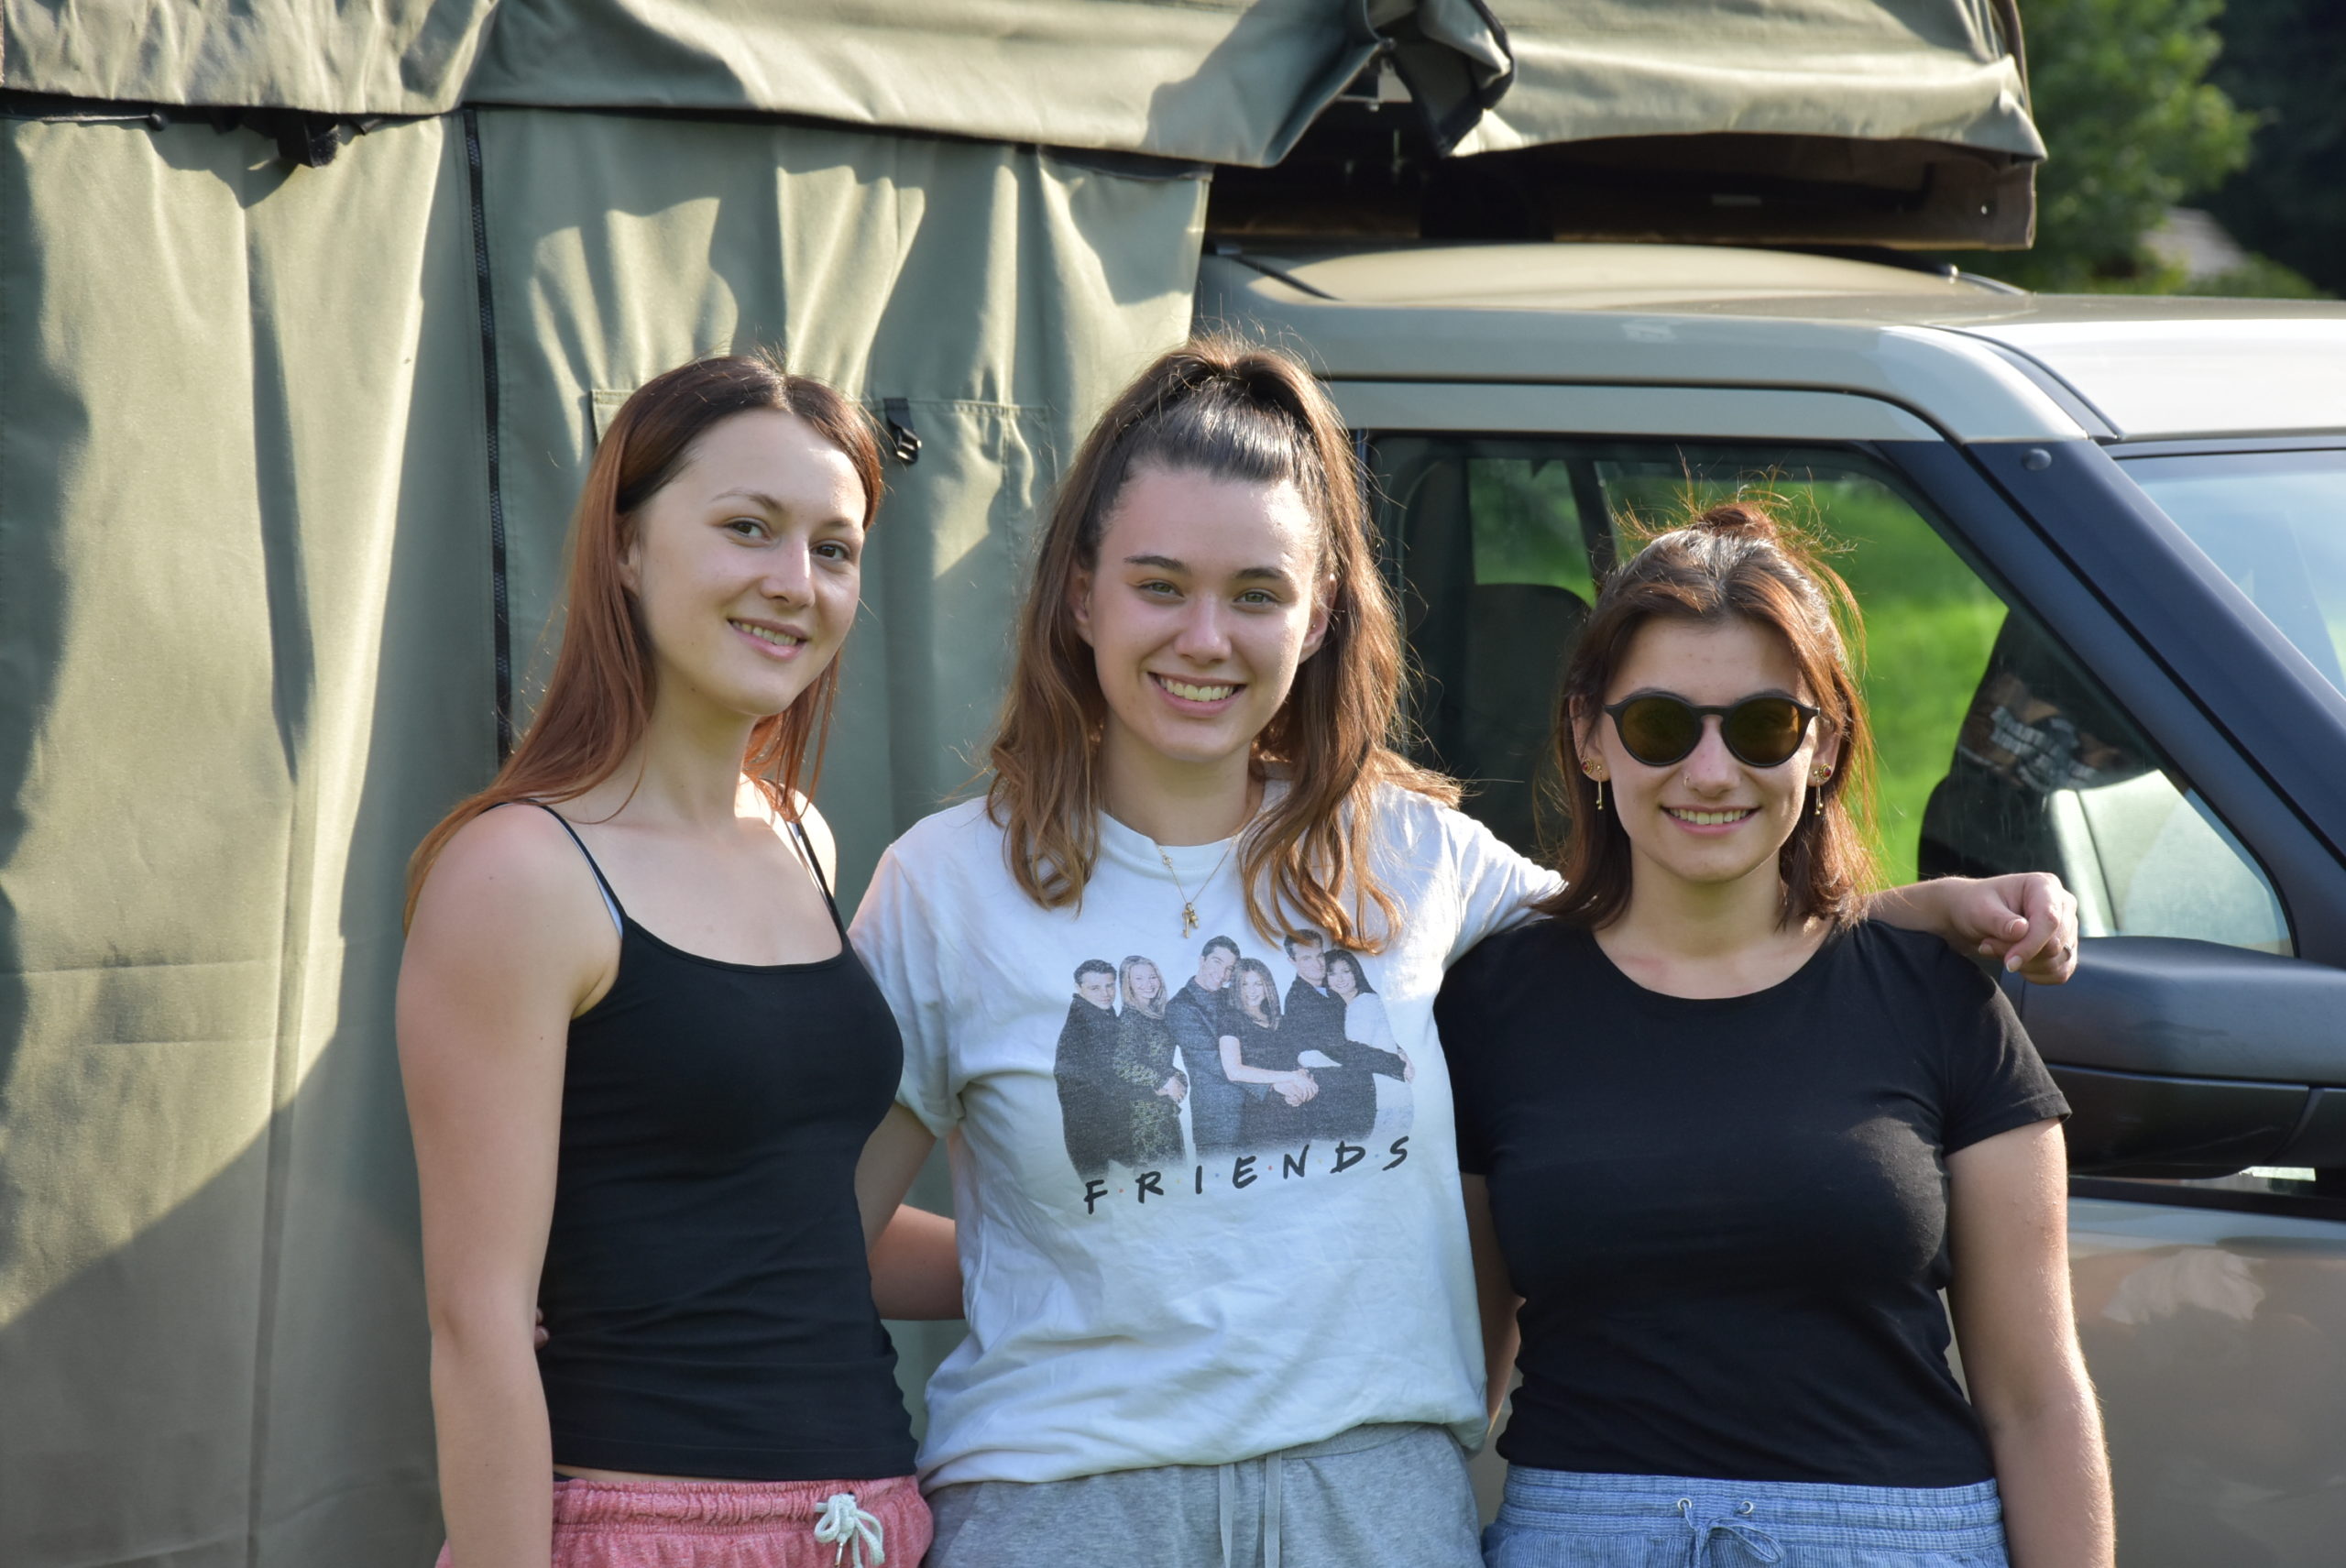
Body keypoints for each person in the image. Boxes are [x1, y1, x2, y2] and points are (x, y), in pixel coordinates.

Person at [845, 338, 2081, 1568]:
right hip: (1064, 1508)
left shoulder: (1420, 859)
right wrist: (1048, 1256)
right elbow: (814, 1235)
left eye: (1259, 592)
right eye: (1159, 585)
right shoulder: (947, 887)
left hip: (1374, 1512)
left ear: (1323, 607)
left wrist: (1916, 911)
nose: (1206, 637)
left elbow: (1685, 914)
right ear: (1080, 594)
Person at [1441, 503, 2113, 1568]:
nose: (1711, 772)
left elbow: (2036, 1398)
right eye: (1661, 725)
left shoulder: (1937, 996)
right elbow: (1455, 1384)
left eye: (1761, 727)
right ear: (1588, 736)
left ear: (1825, 740)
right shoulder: (1492, 1005)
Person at [397, 355, 941, 1568]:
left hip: (873, 1526)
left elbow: (791, 1219)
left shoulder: (801, 832)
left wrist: (1102, 1247)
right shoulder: (522, 871)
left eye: (834, 547)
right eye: (747, 527)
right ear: (626, 546)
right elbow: (475, 1316)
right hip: (646, 1527)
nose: (793, 582)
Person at [1217, 956, 1317, 1148]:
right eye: (1245, 984)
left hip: (1297, 1115)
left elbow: (1299, 1062)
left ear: (1267, 986)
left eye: (1258, 984)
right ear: (1236, 987)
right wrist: (1289, 1079)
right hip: (1259, 1120)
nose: (1251, 991)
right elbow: (1234, 1071)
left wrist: (1303, 1087)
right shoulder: (1230, 1020)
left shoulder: (1282, 1020)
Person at [1166, 935, 1247, 1157]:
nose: (1223, 974)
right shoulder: (1180, 1007)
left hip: (1253, 1111)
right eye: (1217, 962)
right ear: (1202, 960)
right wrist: (1272, 1084)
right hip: (1219, 1120)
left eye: (1230, 969)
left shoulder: (1232, 996)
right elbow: (1214, 1062)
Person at [1322, 948, 1412, 1145]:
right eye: (1332, 973)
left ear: (1356, 972)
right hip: (1385, 1100)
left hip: (1387, 1102)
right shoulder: (1350, 1006)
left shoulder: (1363, 1003)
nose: (1340, 978)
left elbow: (1352, 1054)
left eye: (1346, 971)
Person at [1111, 955, 1188, 1168]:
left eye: (1152, 977)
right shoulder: (1129, 1020)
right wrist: (1165, 1081)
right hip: (1143, 1118)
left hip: (1164, 1111)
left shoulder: (1155, 1016)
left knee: (1176, 1181)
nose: (1148, 984)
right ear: (1128, 984)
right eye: (1139, 979)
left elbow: (1163, 1063)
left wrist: (1179, 1080)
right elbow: (1123, 1064)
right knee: (1158, 1183)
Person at [1053, 959, 1127, 1179]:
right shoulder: (1086, 1024)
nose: (1105, 993)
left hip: (1099, 1139)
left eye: (1110, 986)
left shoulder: (1098, 1014)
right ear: (1079, 988)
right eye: (1095, 988)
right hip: (1098, 1143)